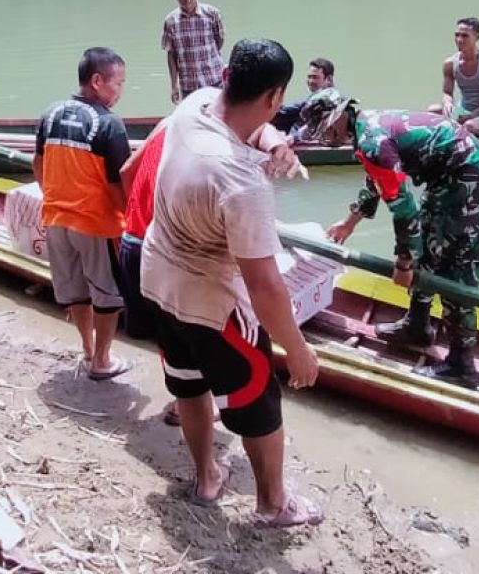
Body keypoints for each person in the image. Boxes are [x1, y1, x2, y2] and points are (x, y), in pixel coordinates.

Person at [141, 37, 324, 527]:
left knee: (187, 382)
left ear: (226, 77)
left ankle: (206, 478)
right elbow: (264, 287)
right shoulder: (243, 185)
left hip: (159, 283)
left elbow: (246, 128)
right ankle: (273, 504)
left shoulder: (192, 106)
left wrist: (274, 140)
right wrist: (297, 349)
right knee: (257, 407)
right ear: (274, 98)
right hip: (214, 307)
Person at [119, 107, 303, 426]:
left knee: (175, 344)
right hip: (174, 259)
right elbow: (263, 283)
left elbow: (126, 172)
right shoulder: (216, 159)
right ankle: (202, 404)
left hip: (136, 244)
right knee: (206, 337)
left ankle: (185, 400)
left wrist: (276, 146)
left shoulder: (175, 123)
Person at [323, 94, 479, 388]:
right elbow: (378, 180)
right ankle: (418, 326)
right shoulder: (367, 128)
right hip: (445, 178)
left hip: (470, 180)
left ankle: (461, 366)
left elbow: (405, 211)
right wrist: (350, 221)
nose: (326, 137)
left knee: (456, 272)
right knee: (430, 251)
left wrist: (404, 262)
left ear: (342, 116)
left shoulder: (372, 141)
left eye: (327, 128)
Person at [33, 47, 131, 380]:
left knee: (75, 290)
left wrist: (54, 197)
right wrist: (131, 221)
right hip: (95, 224)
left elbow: (38, 164)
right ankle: (102, 361)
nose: (120, 91)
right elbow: (118, 186)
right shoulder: (109, 125)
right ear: (97, 81)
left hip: (56, 219)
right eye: (118, 83)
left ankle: (88, 350)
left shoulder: (50, 113)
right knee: (108, 294)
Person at [429, 17, 479, 137]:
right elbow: (447, 93)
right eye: (457, 35)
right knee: (432, 110)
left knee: (470, 126)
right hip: (462, 110)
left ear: (477, 37)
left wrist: (473, 115)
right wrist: (448, 103)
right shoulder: (449, 63)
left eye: (465, 36)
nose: (459, 40)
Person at [162, 0, 224, 104]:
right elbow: (171, 55)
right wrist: (174, 85)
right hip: (188, 85)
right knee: (191, 121)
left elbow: (219, 41)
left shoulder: (212, 14)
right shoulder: (170, 21)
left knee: (217, 120)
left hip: (214, 80)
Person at [272, 57, 335, 133]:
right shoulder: (330, 95)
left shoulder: (324, 98)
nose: (311, 81)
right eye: (309, 77)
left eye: (315, 77)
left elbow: (287, 111)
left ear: (329, 79)